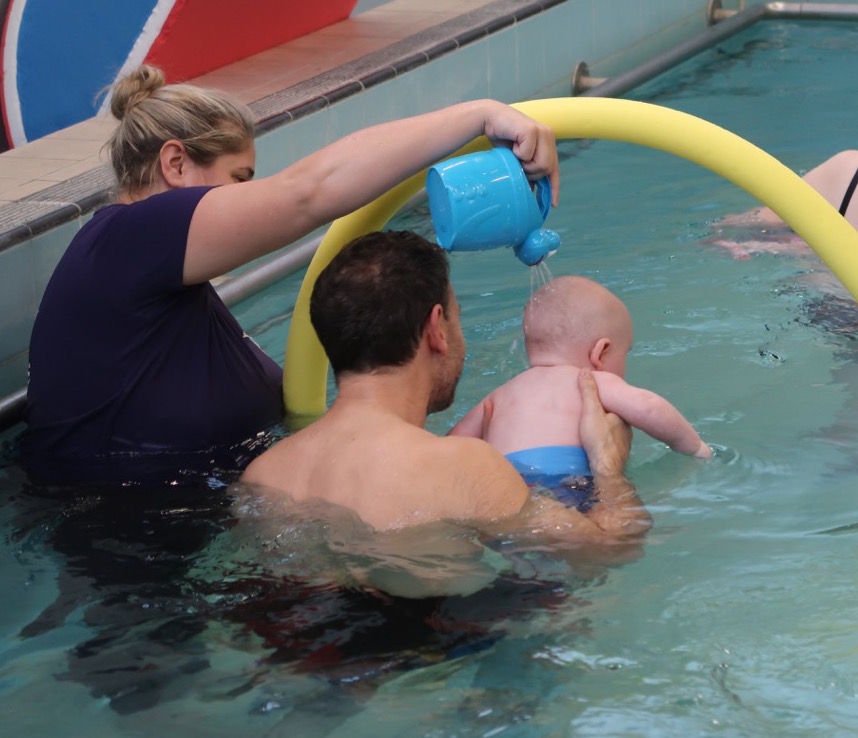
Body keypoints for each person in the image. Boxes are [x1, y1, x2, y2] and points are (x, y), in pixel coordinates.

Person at [21, 64, 560, 482]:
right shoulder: (131, 237)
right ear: (176, 164)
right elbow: (309, 193)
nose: (251, 199)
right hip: (131, 551)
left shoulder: (157, 277)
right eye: (241, 179)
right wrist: (482, 115)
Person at [241, 231, 651, 546]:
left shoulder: (263, 474)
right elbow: (610, 548)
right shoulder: (464, 468)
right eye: (458, 317)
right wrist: (608, 470)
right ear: (436, 328)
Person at [448, 276, 711, 507]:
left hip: (502, 490)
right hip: (566, 482)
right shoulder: (590, 380)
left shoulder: (501, 395)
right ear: (600, 353)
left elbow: (452, 444)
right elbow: (649, 407)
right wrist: (694, 447)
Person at [709, 149, 858, 259]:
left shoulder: (844, 168)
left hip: (816, 296)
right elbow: (733, 227)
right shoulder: (844, 171)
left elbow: (727, 229)